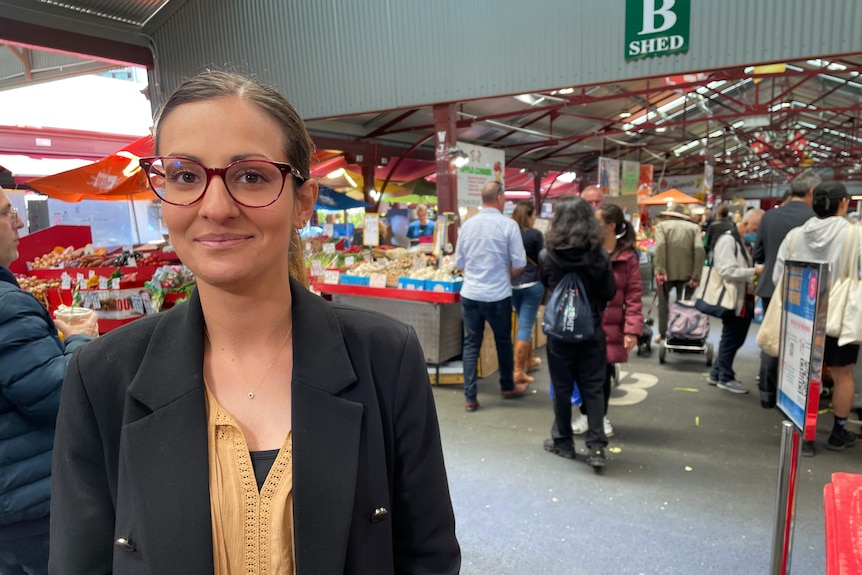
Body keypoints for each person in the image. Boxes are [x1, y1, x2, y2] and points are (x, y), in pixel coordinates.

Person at [49, 71, 460, 574]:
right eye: (184, 175)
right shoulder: (103, 376)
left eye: (251, 176)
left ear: (303, 202)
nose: (216, 207)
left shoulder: (385, 357)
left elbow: (428, 558)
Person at [0, 189, 98, 575]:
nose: (20, 223)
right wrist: (80, 342)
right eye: (8, 213)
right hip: (31, 504)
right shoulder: (7, 306)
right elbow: (58, 393)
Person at [773, 182, 858, 455]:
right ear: (843, 202)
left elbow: (779, 277)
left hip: (801, 315)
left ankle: (803, 434)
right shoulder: (855, 235)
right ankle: (837, 432)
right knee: (842, 373)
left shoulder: (795, 236)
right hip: (838, 317)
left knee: (801, 371)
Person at [540, 197, 616, 468]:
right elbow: (609, 292)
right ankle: (596, 447)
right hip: (591, 330)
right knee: (593, 387)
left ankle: (563, 441)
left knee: (561, 388)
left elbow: (545, 285)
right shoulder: (599, 257)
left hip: (559, 334)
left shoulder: (547, 255)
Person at [570, 204, 643, 437]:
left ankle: (599, 418)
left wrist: (632, 330)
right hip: (585, 322)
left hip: (612, 326)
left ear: (611, 226)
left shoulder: (628, 258)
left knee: (603, 373)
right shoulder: (586, 251)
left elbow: (633, 296)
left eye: (597, 222)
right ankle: (585, 414)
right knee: (581, 371)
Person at [455, 181, 528, 412]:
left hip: (471, 294)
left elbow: (459, 263)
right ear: (499, 198)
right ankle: (507, 387)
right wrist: (502, 275)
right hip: (498, 295)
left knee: (471, 344)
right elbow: (519, 264)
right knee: (503, 341)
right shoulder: (509, 226)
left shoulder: (467, 226)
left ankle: (470, 397)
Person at [753, 171, 818, 408]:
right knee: (801, 342)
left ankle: (767, 392)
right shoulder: (816, 219)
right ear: (812, 192)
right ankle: (795, 393)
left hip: (772, 287)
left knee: (772, 337)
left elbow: (758, 254)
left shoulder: (769, 217)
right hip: (808, 292)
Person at [706, 208, 765, 394]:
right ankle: (725, 376)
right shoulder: (728, 241)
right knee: (732, 338)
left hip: (741, 297)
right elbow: (726, 270)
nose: (755, 234)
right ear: (746, 224)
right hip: (732, 298)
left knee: (732, 337)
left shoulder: (739, 242)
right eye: (754, 229)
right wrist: (753, 272)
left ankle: (717, 372)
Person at [653, 204, 705, 342]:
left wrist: (660, 270)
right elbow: (699, 250)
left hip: (666, 273)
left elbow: (660, 247)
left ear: (669, 215)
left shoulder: (662, 226)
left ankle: (663, 334)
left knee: (663, 303)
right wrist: (696, 274)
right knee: (685, 303)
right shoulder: (694, 228)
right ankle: (684, 332)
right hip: (688, 273)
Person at [510, 202, 544, 384]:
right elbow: (542, 258)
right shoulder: (535, 235)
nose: (535, 218)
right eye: (534, 215)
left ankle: (529, 361)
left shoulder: (509, 233)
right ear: (529, 216)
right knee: (525, 325)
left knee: (523, 322)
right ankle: (518, 371)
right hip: (532, 283)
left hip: (513, 284)